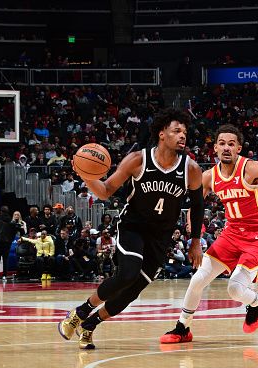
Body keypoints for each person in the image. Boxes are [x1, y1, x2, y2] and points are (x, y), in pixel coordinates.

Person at [160, 124, 258, 344]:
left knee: (234, 288)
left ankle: (257, 302)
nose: (226, 148)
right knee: (197, 280)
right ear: (215, 148)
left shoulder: (251, 168)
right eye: (222, 143)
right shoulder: (210, 176)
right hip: (231, 234)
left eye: (231, 144)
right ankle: (183, 328)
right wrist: (192, 227)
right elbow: (195, 204)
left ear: (238, 148)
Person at [57, 107, 204, 349]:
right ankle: (79, 313)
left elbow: (197, 206)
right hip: (133, 227)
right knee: (128, 273)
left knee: (132, 292)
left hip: (161, 237)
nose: (182, 135)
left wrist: (196, 241)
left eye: (184, 132)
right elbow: (105, 191)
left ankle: (90, 325)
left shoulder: (191, 169)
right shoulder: (138, 160)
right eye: (176, 130)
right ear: (161, 134)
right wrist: (85, 175)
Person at [0, 206, 20, 281]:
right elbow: (13, 233)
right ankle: (4, 276)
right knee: (5, 259)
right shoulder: (11, 222)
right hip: (7, 243)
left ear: (1, 212)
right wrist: (10, 241)